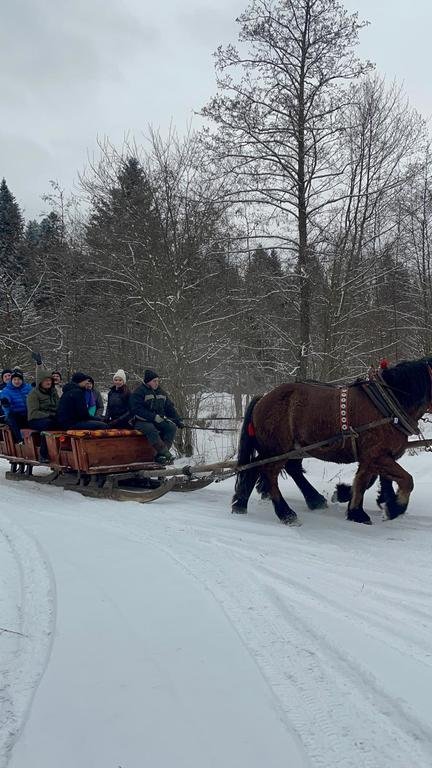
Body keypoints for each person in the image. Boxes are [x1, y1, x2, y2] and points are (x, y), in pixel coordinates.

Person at [129, 368, 184, 464]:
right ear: (148, 382)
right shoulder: (139, 392)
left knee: (171, 427)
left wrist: (177, 420)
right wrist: (153, 417)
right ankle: (165, 453)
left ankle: (160, 455)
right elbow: (136, 410)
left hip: (157, 419)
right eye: (154, 381)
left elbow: (169, 408)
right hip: (140, 421)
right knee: (151, 429)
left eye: (158, 381)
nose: (157, 383)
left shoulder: (161, 392)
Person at [27, 366, 59, 461]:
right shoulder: (33, 394)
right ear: (40, 382)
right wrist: (49, 415)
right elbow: (33, 412)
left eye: (50, 380)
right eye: (46, 381)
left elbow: (58, 405)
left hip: (52, 417)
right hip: (35, 420)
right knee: (48, 425)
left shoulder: (53, 392)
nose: (48, 382)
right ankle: (43, 454)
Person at [0, 369, 32, 443]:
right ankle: (19, 440)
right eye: (15, 379)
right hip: (14, 414)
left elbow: (34, 393)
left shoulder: (28, 387)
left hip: (28, 413)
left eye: (19, 379)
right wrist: (5, 402)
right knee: (11, 418)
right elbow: (5, 397)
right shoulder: (6, 390)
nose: (17, 381)